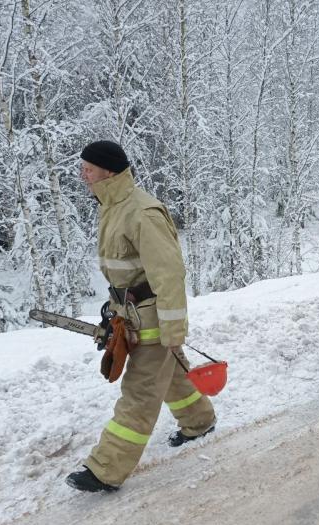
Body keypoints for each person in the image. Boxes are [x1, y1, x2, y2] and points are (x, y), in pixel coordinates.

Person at [66, 140, 216, 492]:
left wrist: (174, 328)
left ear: (109, 171)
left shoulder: (142, 212)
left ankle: (106, 469)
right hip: (131, 317)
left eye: (88, 169)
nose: (82, 175)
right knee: (172, 375)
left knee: (140, 391)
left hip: (153, 322)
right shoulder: (112, 207)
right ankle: (199, 420)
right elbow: (126, 274)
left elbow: (169, 273)